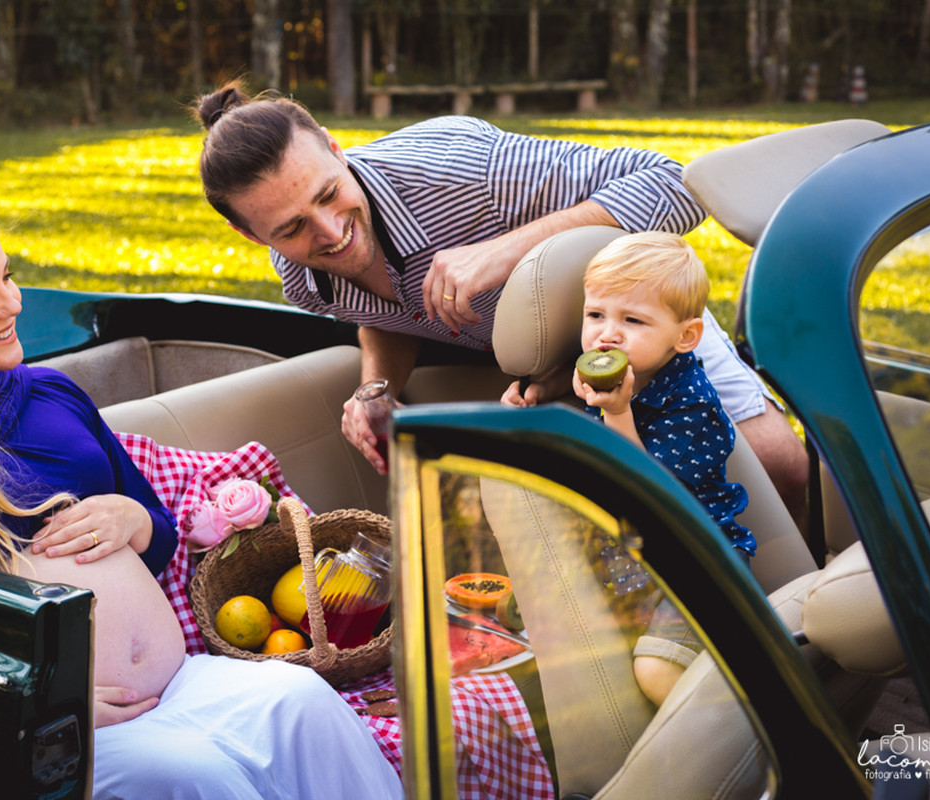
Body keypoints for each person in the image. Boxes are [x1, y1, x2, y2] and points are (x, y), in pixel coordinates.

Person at [0, 188, 404, 800]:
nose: (11, 303)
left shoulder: (49, 394)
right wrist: (26, 701)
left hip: (179, 681)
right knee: (197, 775)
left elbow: (160, 533)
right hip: (56, 727)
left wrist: (131, 517)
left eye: (5, 277)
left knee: (300, 698)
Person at [190, 81, 807, 529]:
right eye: (292, 228)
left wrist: (502, 252)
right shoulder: (299, 279)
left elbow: (675, 184)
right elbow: (382, 312)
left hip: (630, 320)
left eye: (330, 194)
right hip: (535, 379)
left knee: (781, 472)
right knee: (625, 524)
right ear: (252, 235)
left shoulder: (457, 165)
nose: (329, 232)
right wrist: (375, 389)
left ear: (335, 147)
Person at [501, 231, 754, 705]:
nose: (606, 334)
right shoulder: (621, 380)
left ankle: (745, 741)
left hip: (693, 570)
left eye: (632, 320)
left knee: (657, 673)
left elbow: (646, 491)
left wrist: (617, 413)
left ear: (685, 336)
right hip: (631, 569)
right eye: (595, 315)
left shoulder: (692, 404)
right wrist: (533, 413)